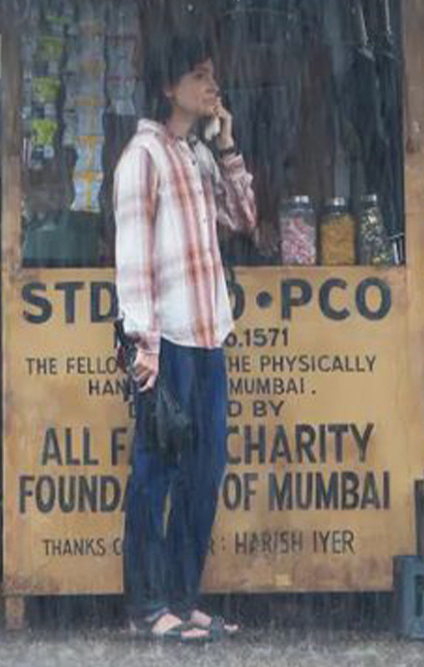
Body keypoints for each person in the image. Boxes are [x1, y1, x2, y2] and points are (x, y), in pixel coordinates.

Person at [113, 36, 257, 642]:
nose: (211, 85)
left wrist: (226, 145)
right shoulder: (142, 156)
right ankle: (147, 606)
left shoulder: (197, 154)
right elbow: (132, 258)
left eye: (212, 75)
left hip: (207, 335)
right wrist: (142, 342)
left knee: (205, 468)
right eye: (199, 76)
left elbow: (245, 219)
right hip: (166, 339)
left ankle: (180, 595)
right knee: (155, 470)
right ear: (168, 87)